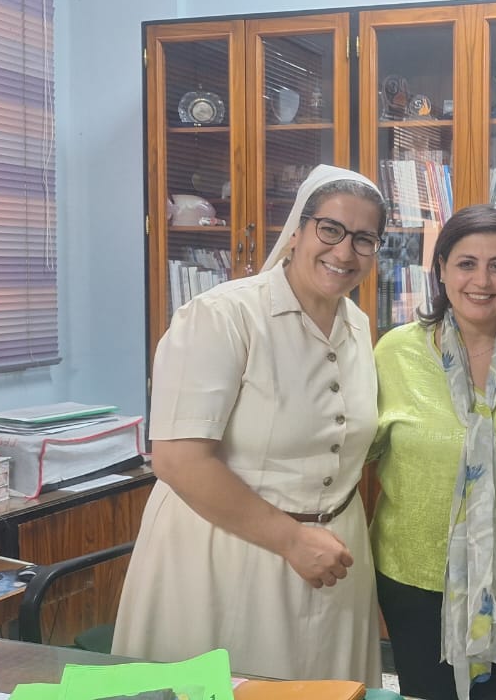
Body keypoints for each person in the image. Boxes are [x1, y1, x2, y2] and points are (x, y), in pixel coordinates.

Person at [113, 165, 387, 684]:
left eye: (364, 239)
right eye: (330, 229)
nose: (345, 251)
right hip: (226, 558)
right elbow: (177, 459)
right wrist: (292, 540)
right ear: (298, 230)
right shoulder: (221, 316)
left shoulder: (357, 324)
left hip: (334, 559)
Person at [369, 205, 496, 700]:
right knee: (424, 692)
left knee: (494, 693)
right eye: (466, 264)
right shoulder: (394, 353)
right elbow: (354, 453)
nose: (481, 281)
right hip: (414, 574)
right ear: (440, 269)